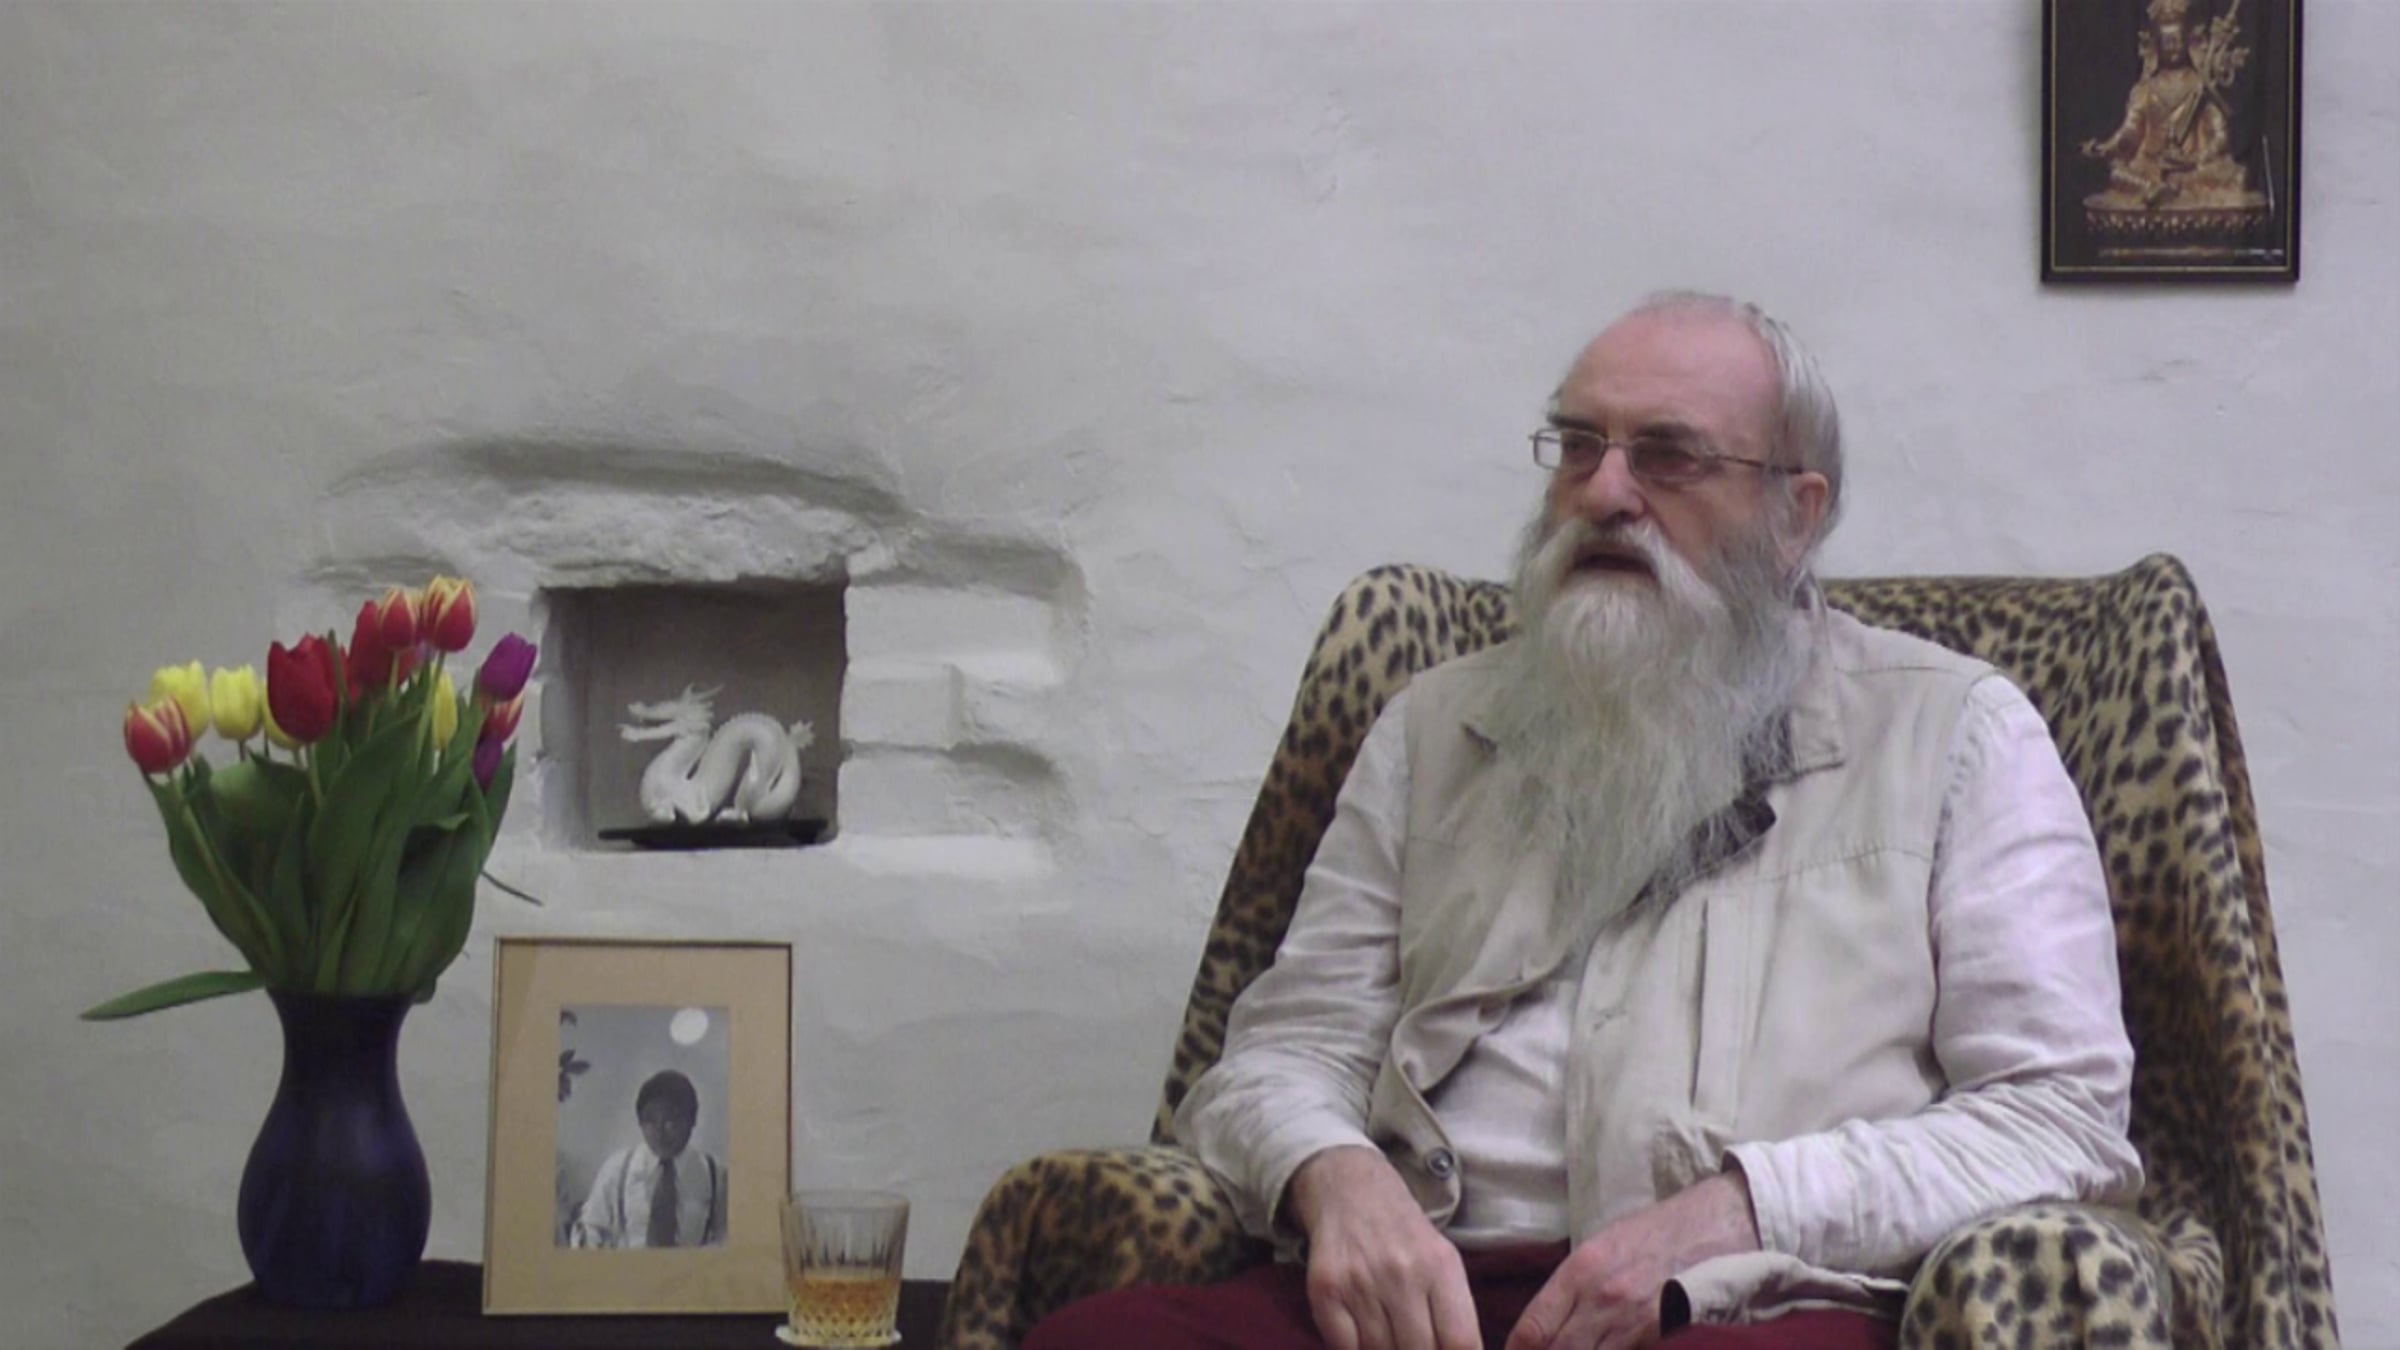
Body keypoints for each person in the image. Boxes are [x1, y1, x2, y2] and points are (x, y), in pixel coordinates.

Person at [1025, 293, 2141, 1350]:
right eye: (1577, 446)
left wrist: (1735, 1214)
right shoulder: (1436, 726)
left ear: (1795, 516)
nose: (1605, 493)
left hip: (1750, 1305)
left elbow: (2056, 1117)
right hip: (1431, 1300)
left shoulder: (1956, 733)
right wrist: (1337, 1178)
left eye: (1669, 456)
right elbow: (1287, 1050)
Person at [568, 1069, 730, 1250]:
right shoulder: (617, 1170)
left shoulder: (715, 1175)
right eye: (650, 1121)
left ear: (691, 1120)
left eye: (670, 1120)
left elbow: (727, 1238)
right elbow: (590, 1230)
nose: (659, 1132)